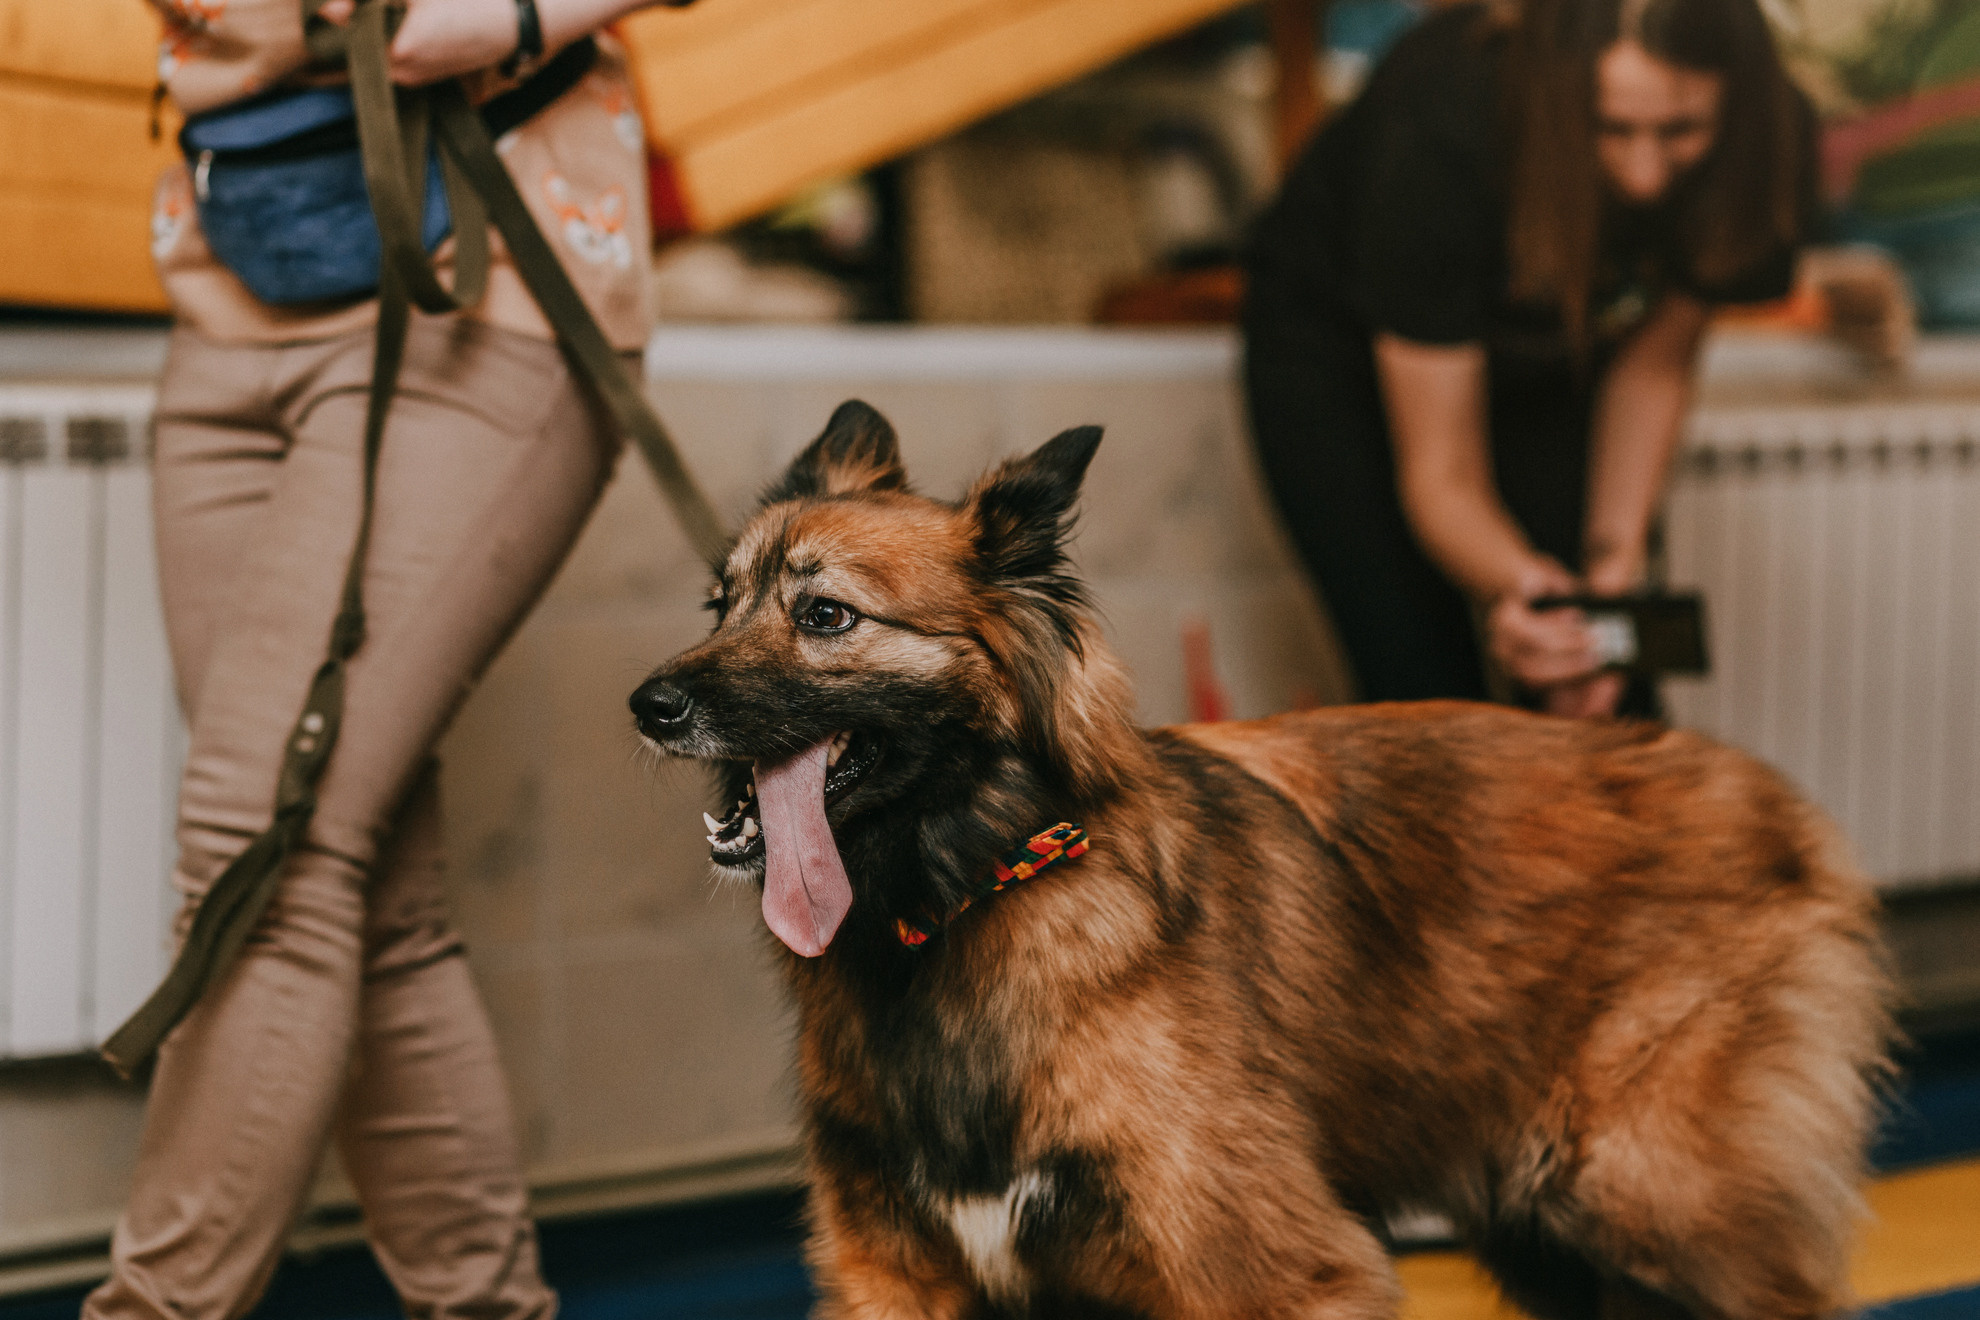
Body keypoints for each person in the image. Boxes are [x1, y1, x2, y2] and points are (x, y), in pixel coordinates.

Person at [87, 1, 690, 1316]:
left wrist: (511, 12)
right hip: (229, 292)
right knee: (367, 894)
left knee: (268, 850)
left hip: (492, 271)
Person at [1243, 0, 1817, 716]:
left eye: (1681, 130)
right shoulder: (1444, 119)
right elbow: (1442, 471)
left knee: (1610, 683)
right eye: (1611, 128)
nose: (1645, 177)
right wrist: (1518, 588)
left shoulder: (1769, 139)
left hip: (1552, 348)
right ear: (1557, 95)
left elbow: (1652, 367)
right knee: (1430, 700)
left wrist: (1612, 571)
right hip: (1338, 358)